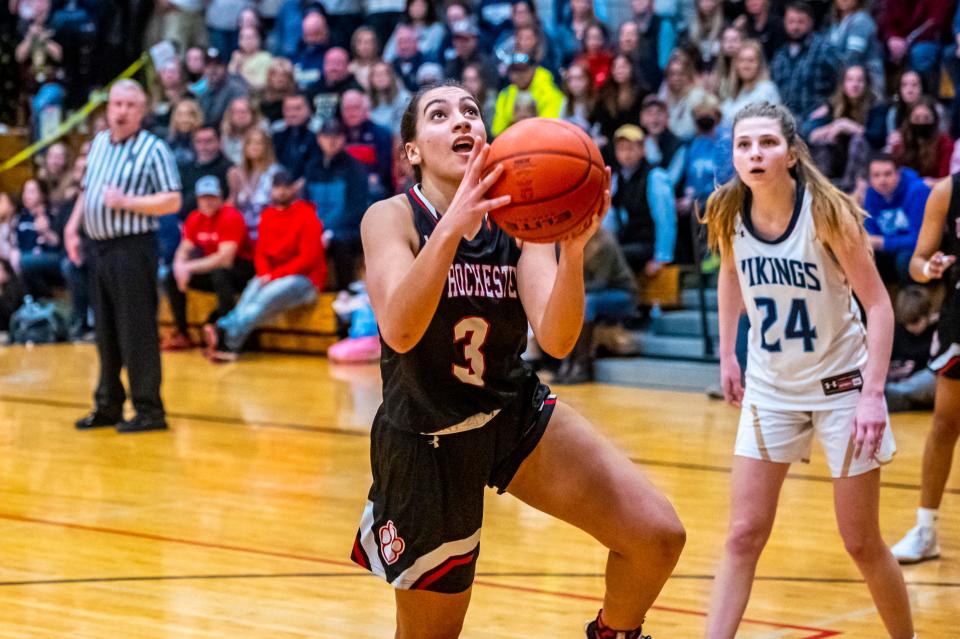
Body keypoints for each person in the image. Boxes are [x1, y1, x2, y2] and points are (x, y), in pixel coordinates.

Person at [348, 82, 684, 639]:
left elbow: (555, 337)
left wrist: (572, 248)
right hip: (428, 435)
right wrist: (453, 224)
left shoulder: (520, 220)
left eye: (471, 112)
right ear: (412, 150)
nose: (461, 121)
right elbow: (401, 331)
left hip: (509, 409)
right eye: (439, 115)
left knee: (655, 536)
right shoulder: (390, 217)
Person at [701, 101, 914, 638]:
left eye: (767, 143)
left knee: (861, 540)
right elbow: (730, 274)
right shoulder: (727, 209)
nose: (755, 153)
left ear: (791, 154)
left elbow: (881, 307)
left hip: (842, 388)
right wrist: (728, 352)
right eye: (744, 144)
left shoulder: (827, 213)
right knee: (743, 534)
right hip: (771, 390)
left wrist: (873, 394)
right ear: (733, 154)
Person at [63, 79, 182, 433]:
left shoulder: (154, 149)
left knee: (136, 331)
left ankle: (149, 409)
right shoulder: (99, 143)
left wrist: (129, 202)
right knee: (105, 331)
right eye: (116, 104)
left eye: (130, 105)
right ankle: (108, 404)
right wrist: (73, 227)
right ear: (108, 107)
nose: (121, 111)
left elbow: (173, 200)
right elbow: (88, 192)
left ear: (141, 111)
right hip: (98, 249)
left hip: (133, 248)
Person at [890, 171, 960, 564]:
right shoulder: (948, 191)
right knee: (944, 424)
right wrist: (928, 269)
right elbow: (916, 263)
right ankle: (925, 529)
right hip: (958, 315)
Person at [206, 169, 326, 362]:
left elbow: (308, 259)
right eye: (277, 187)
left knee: (262, 300)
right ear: (271, 190)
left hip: (306, 280)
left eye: (286, 187)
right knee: (249, 296)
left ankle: (223, 326)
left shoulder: (307, 216)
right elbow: (260, 252)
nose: (281, 192)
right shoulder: (267, 216)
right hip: (274, 275)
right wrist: (264, 274)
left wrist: (274, 276)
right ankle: (230, 347)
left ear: (294, 189)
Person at [163, 176, 256, 350]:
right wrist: (178, 266)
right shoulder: (195, 218)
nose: (208, 202)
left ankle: (224, 335)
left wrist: (187, 267)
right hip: (214, 270)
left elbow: (225, 259)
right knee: (170, 276)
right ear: (197, 200)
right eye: (204, 198)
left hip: (242, 272)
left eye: (212, 197)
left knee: (220, 274)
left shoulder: (230, 216)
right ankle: (183, 333)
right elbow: (184, 249)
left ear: (220, 197)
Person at [304, 118, 368, 290]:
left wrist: (330, 232)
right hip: (318, 230)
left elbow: (356, 209)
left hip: (346, 231)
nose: (331, 140)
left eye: (336, 136)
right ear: (319, 138)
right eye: (326, 136)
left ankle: (344, 293)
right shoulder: (311, 168)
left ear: (343, 139)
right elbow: (305, 205)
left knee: (341, 243)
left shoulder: (355, 169)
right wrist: (316, 231)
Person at [863, 154, 930, 283]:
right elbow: (871, 233)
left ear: (898, 174)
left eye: (888, 174)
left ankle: (913, 299)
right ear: (870, 179)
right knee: (864, 257)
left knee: (904, 259)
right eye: (876, 176)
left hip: (916, 250)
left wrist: (883, 243)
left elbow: (921, 239)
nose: (882, 181)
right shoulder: (871, 193)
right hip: (891, 248)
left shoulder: (917, 191)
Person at [769, 1, 839, 122]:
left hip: (816, 118)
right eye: (791, 22)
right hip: (787, 120)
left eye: (801, 22)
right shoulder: (779, 55)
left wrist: (829, 106)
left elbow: (841, 81)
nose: (795, 27)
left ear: (811, 23)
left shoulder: (824, 49)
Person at [885, 286, 938, 412]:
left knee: (933, 379)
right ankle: (897, 398)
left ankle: (893, 396)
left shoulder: (937, 331)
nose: (910, 327)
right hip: (893, 383)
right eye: (906, 323)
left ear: (928, 314)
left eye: (915, 322)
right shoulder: (895, 330)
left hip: (917, 386)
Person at [491, 52, 563, 136]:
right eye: (514, 71)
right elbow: (496, 131)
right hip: (512, 142)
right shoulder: (505, 94)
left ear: (533, 69)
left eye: (523, 70)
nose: (518, 76)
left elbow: (550, 128)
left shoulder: (550, 92)